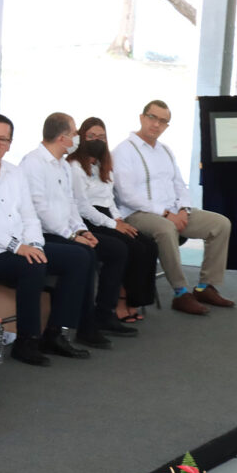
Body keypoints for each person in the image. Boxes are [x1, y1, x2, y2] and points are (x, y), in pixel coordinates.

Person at [0, 113, 92, 366]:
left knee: (78, 257)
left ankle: (54, 333)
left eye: (3, 139)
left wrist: (34, 245)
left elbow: (30, 217)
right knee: (32, 265)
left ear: (10, 143)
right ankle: (27, 340)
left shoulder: (14, 172)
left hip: (17, 247)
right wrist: (19, 247)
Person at [18, 113, 134, 344]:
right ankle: (70, 328)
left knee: (105, 250)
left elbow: (71, 203)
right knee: (85, 255)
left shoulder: (62, 164)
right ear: (62, 138)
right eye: (74, 133)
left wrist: (81, 231)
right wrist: (71, 235)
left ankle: (88, 322)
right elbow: (40, 210)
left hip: (62, 230)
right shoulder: (33, 163)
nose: (77, 138)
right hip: (40, 234)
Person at [112, 100, 234, 316]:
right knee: (166, 229)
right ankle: (181, 292)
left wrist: (183, 210)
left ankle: (206, 287)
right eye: (152, 117)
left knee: (221, 224)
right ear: (142, 117)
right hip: (138, 214)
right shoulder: (123, 151)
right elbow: (127, 194)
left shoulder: (165, 151)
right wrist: (167, 214)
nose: (156, 124)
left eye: (163, 121)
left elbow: (180, 184)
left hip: (173, 212)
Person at [67, 117, 158, 322]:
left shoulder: (103, 164)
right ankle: (118, 302)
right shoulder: (74, 166)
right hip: (87, 218)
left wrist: (119, 220)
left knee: (148, 245)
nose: (96, 140)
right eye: (91, 136)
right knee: (128, 247)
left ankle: (135, 300)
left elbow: (109, 199)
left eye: (101, 136)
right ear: (82, 137)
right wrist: (113, 225)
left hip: (107, 215)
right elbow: (82, 206)